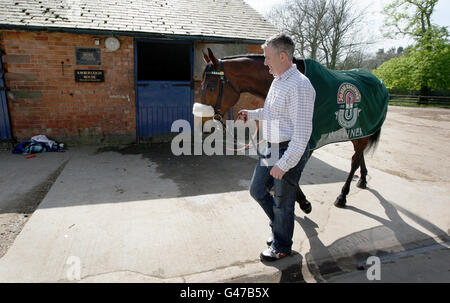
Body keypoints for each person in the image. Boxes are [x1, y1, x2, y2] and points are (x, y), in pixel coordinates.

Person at [237, 33, 316, 262]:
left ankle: (282, 246)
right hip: (270, 148)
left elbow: (302, 136)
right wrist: (251, 114)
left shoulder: (300, 86)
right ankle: (279, 227)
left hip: (287, 151)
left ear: (283, 56)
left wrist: (284, 164)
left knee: (283, 202)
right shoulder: (278, 80)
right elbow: (272, 113)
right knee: (257, 190)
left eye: (268, 57)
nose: (265, 62)